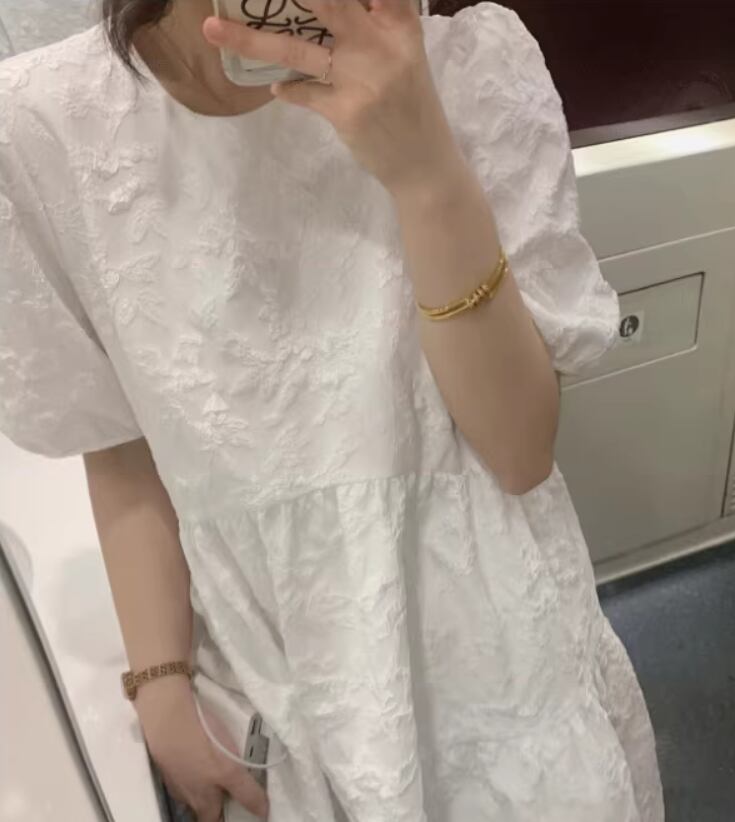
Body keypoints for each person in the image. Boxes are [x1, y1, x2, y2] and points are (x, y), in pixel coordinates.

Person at [0, 0, 664, 820]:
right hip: (279, 684)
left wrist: (425, 172)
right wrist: (160, 684)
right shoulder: (45, 126)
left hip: (499, 666)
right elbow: (120, 435)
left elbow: (520, 450)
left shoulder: (475, 65)